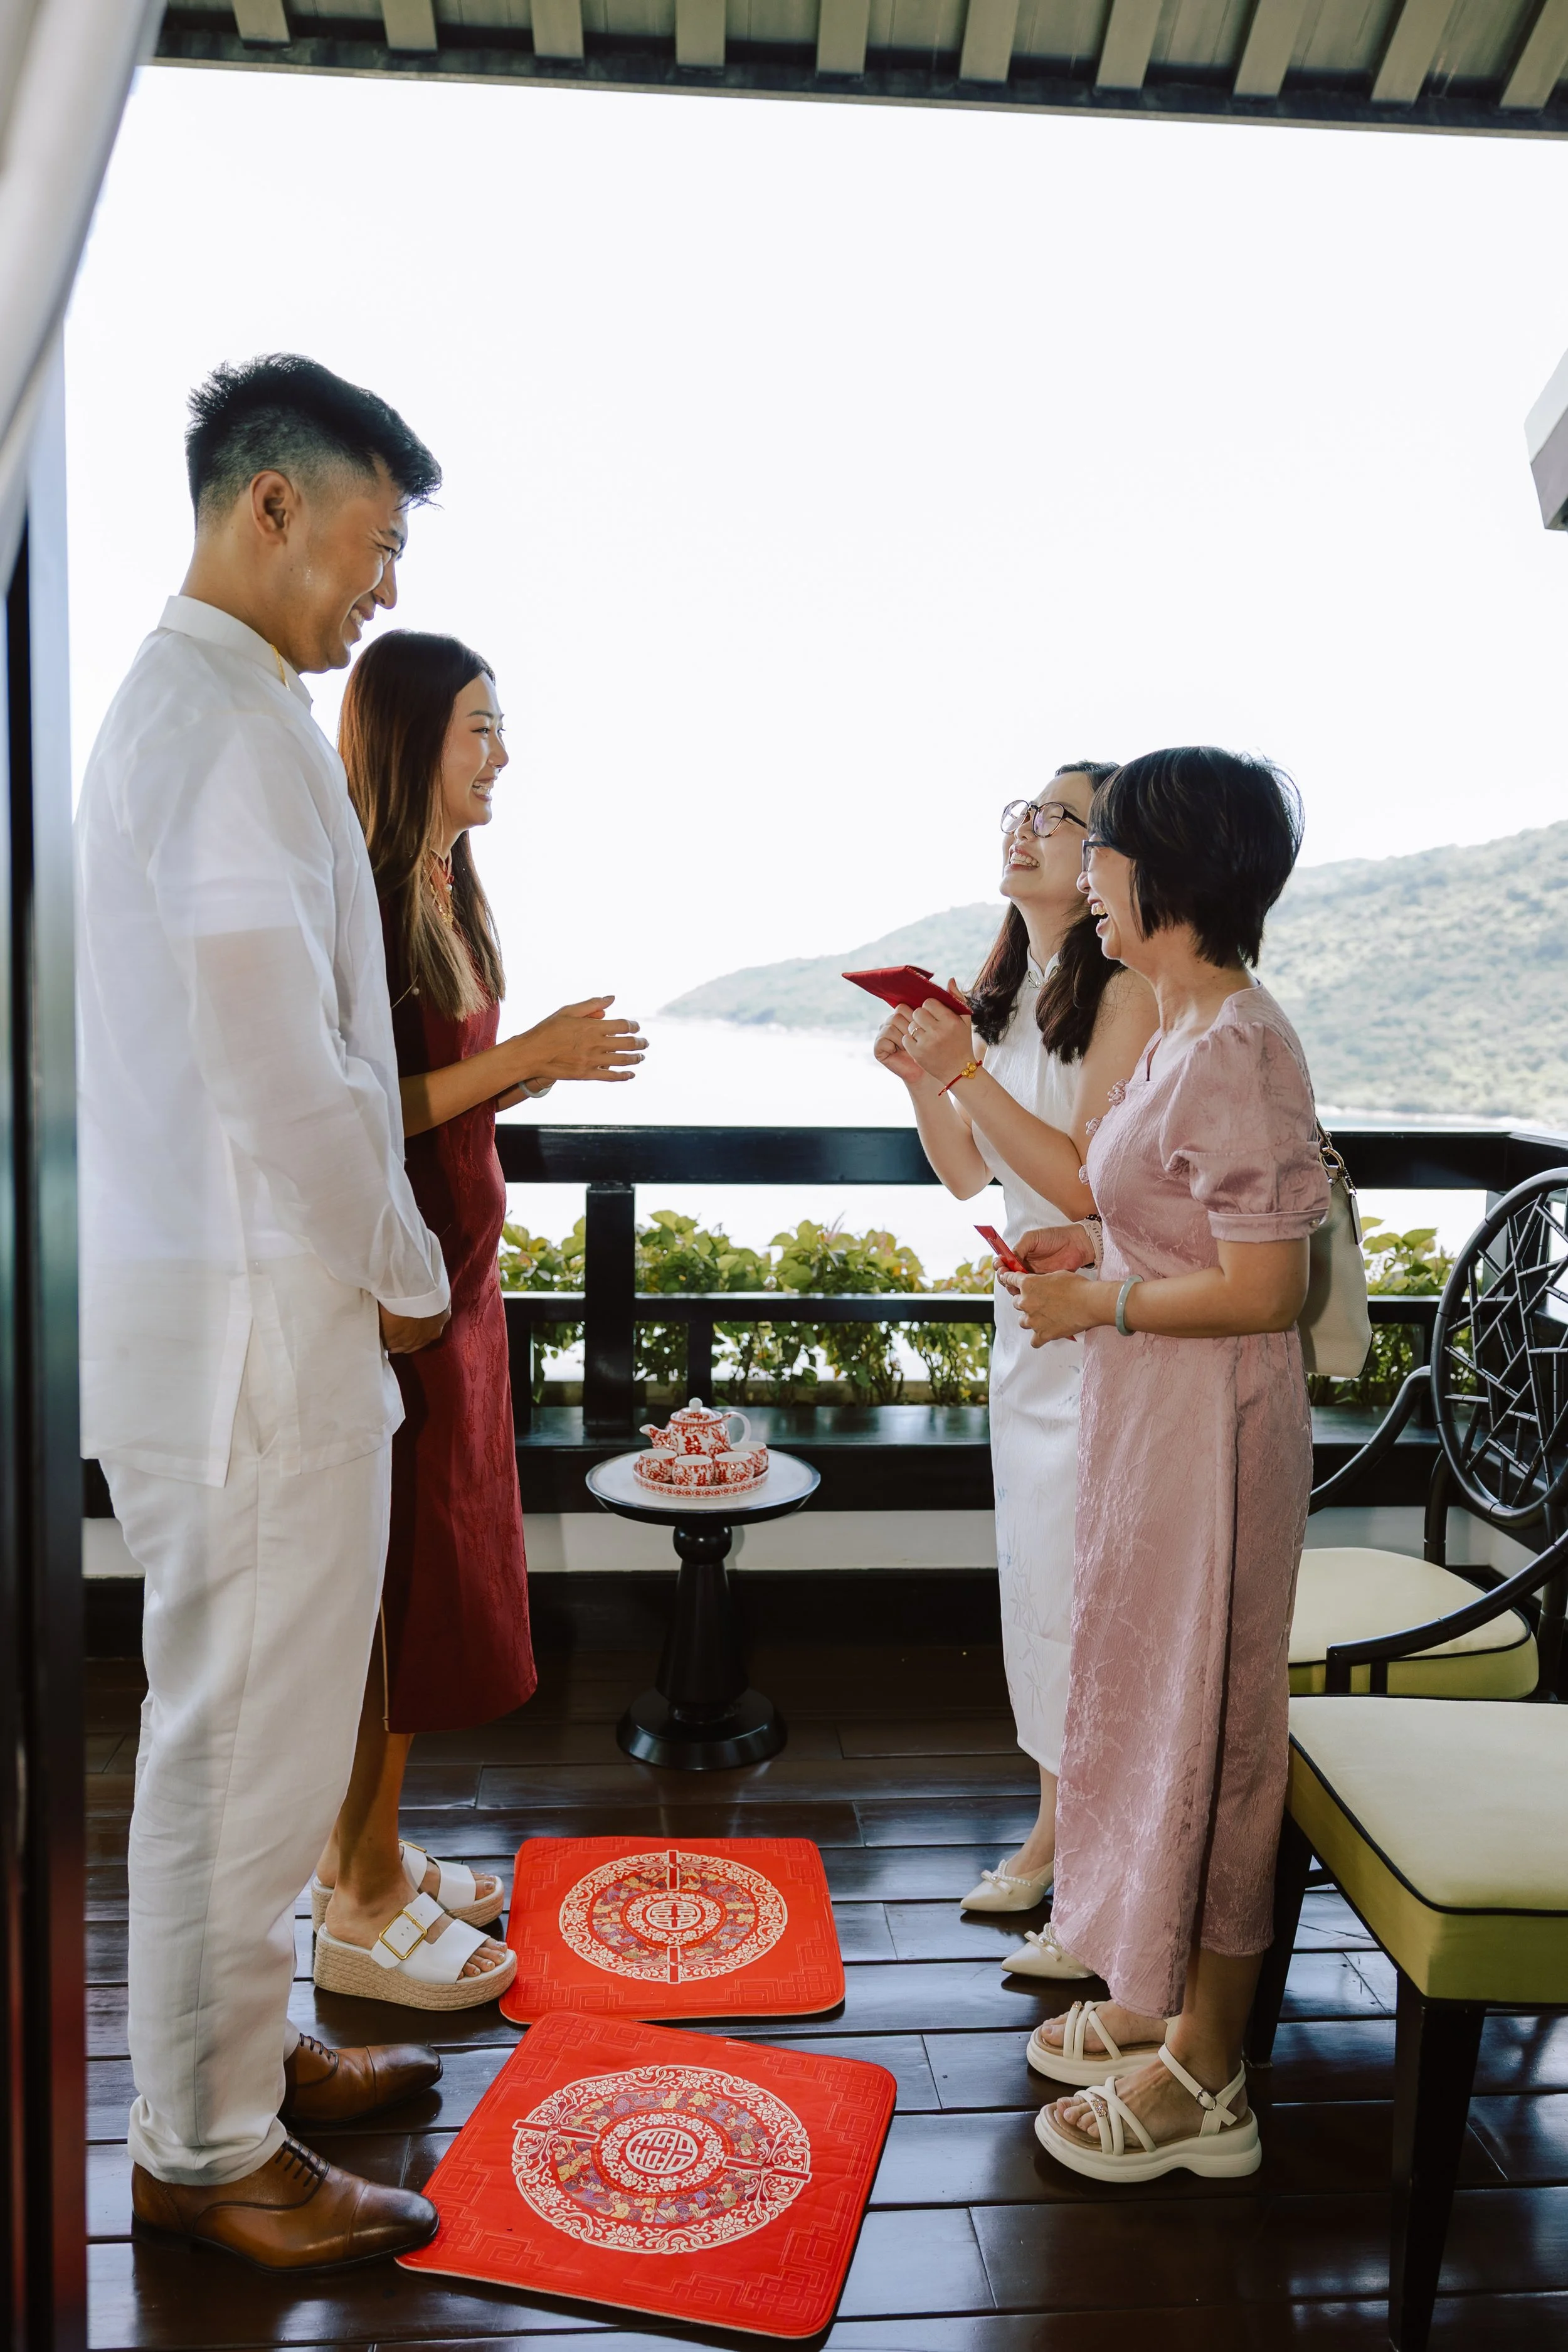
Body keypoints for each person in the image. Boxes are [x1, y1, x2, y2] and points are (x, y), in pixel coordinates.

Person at [77, 354, 458, 2269]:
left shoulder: (189, 710)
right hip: (258, 1329)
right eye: (373, 545)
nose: (382, 587)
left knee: (248, 1730)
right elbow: (279, 1069)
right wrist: (408, 1270)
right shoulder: (228, 732)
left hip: (212, 1308)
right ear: (273, 505)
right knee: (242, 1743)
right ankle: (211, 2142)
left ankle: (239, 2051)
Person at [308, 629, 646, 2006]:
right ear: (410, 741)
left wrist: (524, 1070)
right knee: (400, 1592)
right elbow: (352, 1110)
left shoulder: (447, 885)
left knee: (434, 1580)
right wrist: (529, 1054)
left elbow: (440, 1082)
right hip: (403, 1291)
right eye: (479, 728)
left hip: (461, 1277)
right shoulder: (369, 894)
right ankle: (358, 1890)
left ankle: (366, 1851)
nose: (503, 753)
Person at [1005, 746, 1328, 2184]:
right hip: (1155, 1422)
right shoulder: (1182, 1024)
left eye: (1105, 851)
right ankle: (1149, 1994)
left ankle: (1208, 2074)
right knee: (1147, 1710)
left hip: (1215, 1431)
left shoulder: (1238, 1045)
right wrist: (1091, 1245)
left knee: (1214, 1734)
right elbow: (1169, 1215)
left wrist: (1103, 1300)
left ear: (1168, 871)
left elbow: (1266, 1288)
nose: (1088, 875)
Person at [874, 766, 1155, 1979]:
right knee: (1038, 1584)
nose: (1026, 829)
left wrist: (964, 1072)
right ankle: (1053, 1832)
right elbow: (965, 1173)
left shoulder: (1125, 991)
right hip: (1025, 1311)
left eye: (1056, 816)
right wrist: (924, 1079)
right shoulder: (1005, 992)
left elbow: (1087, 1178)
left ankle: (1091, 1857)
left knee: (1088, 1589)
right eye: (1021, 812)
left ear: (1105, 855)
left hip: (1100, 1310)